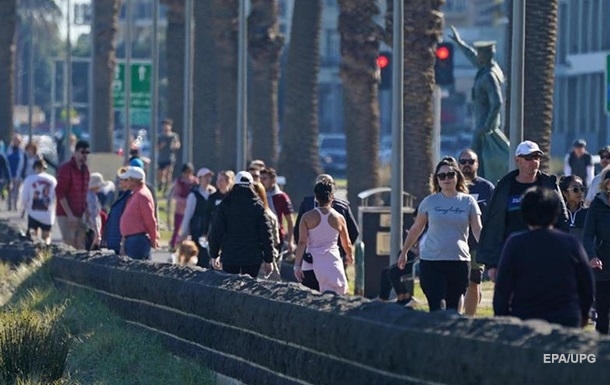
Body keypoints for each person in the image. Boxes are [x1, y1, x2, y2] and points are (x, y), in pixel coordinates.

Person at [494, 187, 594, 328]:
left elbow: (502, 287)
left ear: (524, 213)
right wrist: (583, 314)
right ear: (556, 212)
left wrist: (502, 317)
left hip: (526, 319)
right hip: (566, 318)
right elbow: (586, 284)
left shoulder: (515, 243)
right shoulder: (571, 243)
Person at [397, 157, 481, 312]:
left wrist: (486, 251)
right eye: (442, 176)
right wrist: (404, 252)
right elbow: (416, 229)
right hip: (432, 262)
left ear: (457, 176)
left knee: (453, 310)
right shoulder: (430, 202)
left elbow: (477, 229)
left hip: (459, 262)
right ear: (436, 180)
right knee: (437, 308)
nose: (446, 179)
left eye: (450, 175)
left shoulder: (468, 202)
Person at [478, 141, 569, 281]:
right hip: (512, 255)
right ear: (517, 160)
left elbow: (562, 220)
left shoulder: (549, 185)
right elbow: (493, 226)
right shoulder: (504, 188)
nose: (533, 162)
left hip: (544, 255)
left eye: (536, 157)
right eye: (528, 158)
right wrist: (492, 265)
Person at [449, 26, 505, 177]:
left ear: (486, 55)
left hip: (484, 127)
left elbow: (497, 102)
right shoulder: (487, 67)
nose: (478, 56)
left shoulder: (489, 76)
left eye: (480, 53)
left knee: (475, 161)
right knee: (482, 162)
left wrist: (486, 126)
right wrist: (460, 43)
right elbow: (472, 56)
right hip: (483, 125)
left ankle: (479, 188)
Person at [294, 174, 360, 291]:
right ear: (332, 196)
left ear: (316, 197)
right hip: (332, 262)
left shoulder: (307, 217)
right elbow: (347, 243)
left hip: (310, 262)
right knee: (334, 299)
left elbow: (302, 242)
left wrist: (297, 265)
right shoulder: (339, 218)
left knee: (310, 298)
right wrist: (350, 256)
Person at [209, 171, 275, 278]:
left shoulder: (225, 205)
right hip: (252, 257)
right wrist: (269, 259)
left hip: (230, 256)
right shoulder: (258, 206)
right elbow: (266, 234)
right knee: (248, 289)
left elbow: (216, 232)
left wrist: (214, 255)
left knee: (229, 289)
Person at [457, 149, 495, 316]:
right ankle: (454, 317)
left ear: (477, 164)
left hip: (476, 243)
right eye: (463, 161)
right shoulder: (451, 186)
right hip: (455, 241)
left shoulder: (486, 187)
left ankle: (468, 319)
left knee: (474, 281)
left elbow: (494, 215)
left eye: (470, 161)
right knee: (458, 282)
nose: (466, 165)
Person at [583, 168, 610, 334]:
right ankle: (601, 352)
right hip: (602, 263)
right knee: (603, 312)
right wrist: (592, 256)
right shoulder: (597, 205)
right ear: (607, 185)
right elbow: (587, 235)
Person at [177, 167, 216, 268]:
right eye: (205, 177)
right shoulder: (194, 195)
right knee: (202, 255)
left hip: (210, 229)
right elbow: (188, 214)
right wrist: (184, 233)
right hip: (197, 229)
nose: (208, 179)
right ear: (199, 178)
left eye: (209, 177)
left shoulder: (213, 193)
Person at [55, 140, 91, 249]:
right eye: (82, 152)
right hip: (66, 215)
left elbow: (84, 193)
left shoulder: (85, 171)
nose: (84, 155)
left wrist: (87, 209)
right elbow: (60, 192)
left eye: (87, 153)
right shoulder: (66, 168)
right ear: (75, 152)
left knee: (81, 247)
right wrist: (69, 214)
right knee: (69, 246)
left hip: (80, 213)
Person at [119, 166, 158, 260]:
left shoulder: (142, 195)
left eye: (128, 179)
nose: (125, 182)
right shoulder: (136, 194)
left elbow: (150, 219)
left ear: (134, 181)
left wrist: (154, 238)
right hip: (133, 240)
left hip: (138, 241)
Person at [20, 159, 57, 244]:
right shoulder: (52, 180)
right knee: (47, 236)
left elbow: (24, 197)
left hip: (33, 213)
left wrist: (23, 210)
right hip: (47, 214)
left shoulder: (30, 179)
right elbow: (55, 197)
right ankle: (47, 250)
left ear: (34, 167)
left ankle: (36, 253)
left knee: (34, 237)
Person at [260, 167, 296, 253]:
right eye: (260, 178)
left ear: (273, 180)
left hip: (277, 238)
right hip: (259, 237)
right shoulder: (256, 195)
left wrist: (291, 241)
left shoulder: (281, 197)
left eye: (264, 179)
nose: (261, 181)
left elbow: (290, 221)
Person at [253, 181, 281, 280]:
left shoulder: (250, 215)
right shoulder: (271, 215)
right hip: (269, 257)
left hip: (254, 258)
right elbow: (276, 241)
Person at [101, 167, 132, 254]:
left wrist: (123, 243)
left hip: (122, 242)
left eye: (123, 179)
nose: (119, 182)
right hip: (116, 241)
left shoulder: (129, 197)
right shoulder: (121, 196)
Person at [168, 163, 198, 249]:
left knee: (189, 230)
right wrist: (185, 201)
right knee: (177, 229)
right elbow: (175, 195)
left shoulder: (195, 182)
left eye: (190, 172)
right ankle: (173, 245)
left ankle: (188, 246)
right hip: (180, 209)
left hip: (192, 209)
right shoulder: (179, 182)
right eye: (186, 172)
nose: (188, 174)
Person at [204, 170, 235, 236]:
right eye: (218, 180)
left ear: (228, 182)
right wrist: (205, 232)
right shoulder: (212, 197)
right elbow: (207, 215)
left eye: (221, 180)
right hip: (215, 231)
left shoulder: (232, 197)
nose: (218, 182)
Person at [85, 173, 111, 251]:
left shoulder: (87, 195)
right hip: (91, 229)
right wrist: (97, 232)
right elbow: (93, 215)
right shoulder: (92, 198)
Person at [559, 175, 587, 241]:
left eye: (582, 189)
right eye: (575, 189)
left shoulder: (589, 213)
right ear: (565, 193)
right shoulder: (558, 214)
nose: (580, 192)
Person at [157, 118, 181, 193]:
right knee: (160, 173)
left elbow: (178, 144)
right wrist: (161, 146)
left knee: (169, 172)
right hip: (161, 158)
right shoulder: (160, 136)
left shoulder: (174, 136)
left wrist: (175, 146)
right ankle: (160, 184)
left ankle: (167, 188)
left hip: (170, 157)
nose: (165, 127)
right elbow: (156, 147)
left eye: (167, 125)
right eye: (164, 125)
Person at [6, 134, 25, 211]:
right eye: (15, 140)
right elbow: (6, 161)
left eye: (17, 140)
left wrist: (20, 174)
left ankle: (15, 205)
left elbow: (22, 163)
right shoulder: (9, 149)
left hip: (18, 173)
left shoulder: (21, 150)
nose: (16, 141)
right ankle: (9, 205)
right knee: (9, 190)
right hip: (10, 172)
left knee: (17, 190)